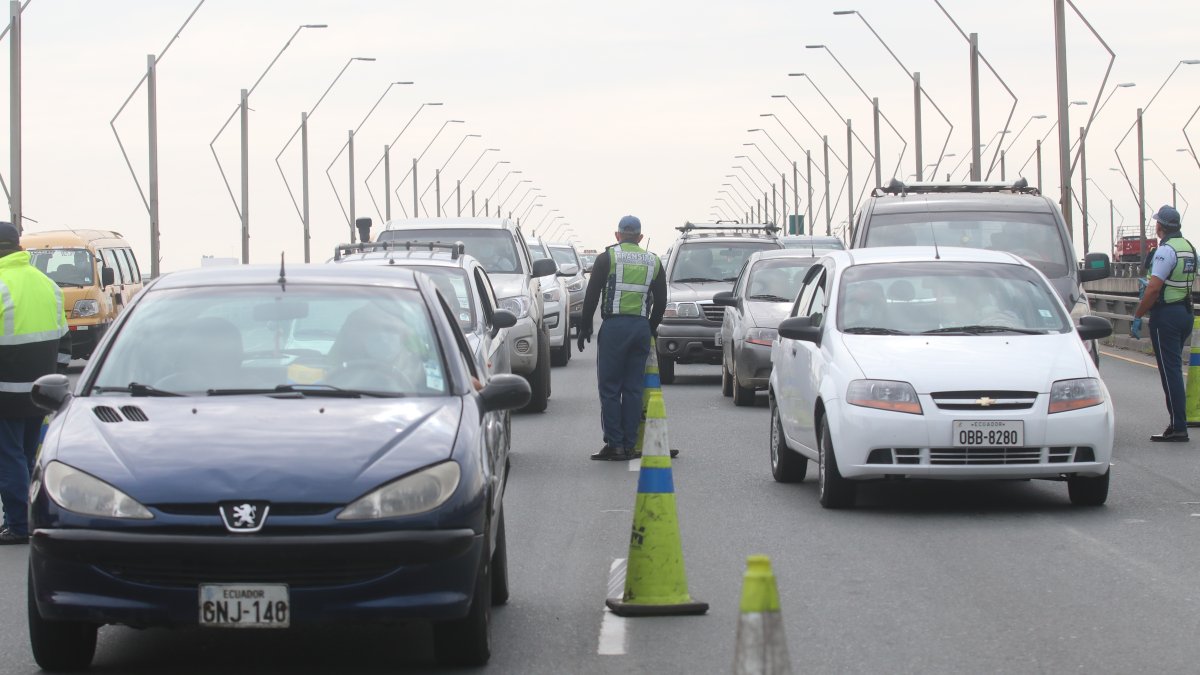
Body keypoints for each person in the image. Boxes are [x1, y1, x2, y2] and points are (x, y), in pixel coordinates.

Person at [577, 215, 667, 461]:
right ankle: (630, 444)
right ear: (640, 237)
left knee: (609, 387)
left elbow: (592, 295)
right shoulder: (654, 261)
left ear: (617, 236)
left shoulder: (607, 258)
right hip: (639, 327)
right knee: (633, 388)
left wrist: (585, 327)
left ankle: (614, 445)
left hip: (614, 328)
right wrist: (650, 326)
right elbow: (661, 301)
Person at [0, 221, 68, 544]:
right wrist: (53, 383)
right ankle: (31, 516)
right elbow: (65, 345)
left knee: (8, 457)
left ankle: (17, 524)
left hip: (3, 393)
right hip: (41, 393)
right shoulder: (48, 285)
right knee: (26, 457)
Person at [1131, 205, 1196, 442]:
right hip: (1185, 313)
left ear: (1162, 227)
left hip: (1166, 316)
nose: (1155, 225)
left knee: (1170, 374)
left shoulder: (1165, 251)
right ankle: (1177, 423)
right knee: (1174, 370)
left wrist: (1138, 315)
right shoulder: (1189, 248)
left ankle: (1178, 427)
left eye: (1157, 222)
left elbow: (1154, 289)